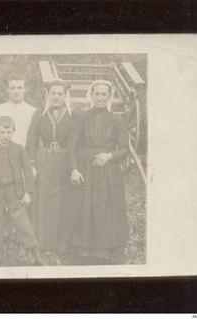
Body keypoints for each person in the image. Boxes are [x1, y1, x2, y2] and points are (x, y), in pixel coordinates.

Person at [65, 80, 129, 264]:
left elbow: (124, 149)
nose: (100, 97)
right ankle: (84, 249)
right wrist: (74, 169)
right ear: (91, 96)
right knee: (85, 206)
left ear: (109, 96)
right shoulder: (82, 117)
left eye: (104, 94)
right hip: (85, 168)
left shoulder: (117, 119)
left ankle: (105, 250)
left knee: (105, 205)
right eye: (97, 94)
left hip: (108, 170)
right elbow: (71, 146)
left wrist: (110, 155)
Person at [0, 116, 46, 266]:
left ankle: (34, 252)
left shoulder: (19, 149)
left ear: (13, 132)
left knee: (23, 220)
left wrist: (28, 192)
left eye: (8, 132)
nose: (5, 135)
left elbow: (28, 171)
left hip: (14, 191)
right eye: (2, 132)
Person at [26, 79, 74, 254]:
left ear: (65, 96)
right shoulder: (39, 114)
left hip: (64, 161)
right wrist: (31, 164)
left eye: (60, 93)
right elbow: (31, 140)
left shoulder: (72, 115)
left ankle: (59, 244)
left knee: (61, 201)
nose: (56, 97)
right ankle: (41, 242)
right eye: (53, 93)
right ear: (48, 95)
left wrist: (73, 166)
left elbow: (75, 142)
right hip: (43, 161)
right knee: (43, 201)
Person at [0, 78, 36, 148]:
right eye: (13, 88)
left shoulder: (33, 111)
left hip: (24, 154)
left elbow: (34, 138)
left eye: (19, 88)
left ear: (25, 90)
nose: (16, 91)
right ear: (8, 90)